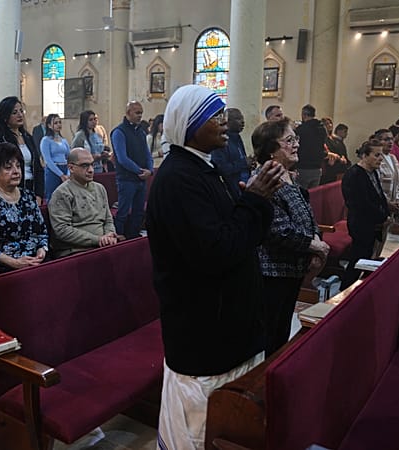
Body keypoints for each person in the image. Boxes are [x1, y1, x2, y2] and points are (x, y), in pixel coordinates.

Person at [146, 84, 283, 449]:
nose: (225, 121)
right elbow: (216, 251)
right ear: (189, 125)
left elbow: (239, 236)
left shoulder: (207, 169)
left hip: (229, 325)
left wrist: (253, 201)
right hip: (203, 332)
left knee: (224, 422)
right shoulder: (177, 179)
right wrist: (254, 201)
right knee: (195, 429)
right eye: (214, 115)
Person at [252, 117, 329, 356]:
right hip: (272, 271)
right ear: (272, 150)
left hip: (291, 268)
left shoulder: (288, 176)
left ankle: (273, 374)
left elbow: (307, 215)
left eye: (296, 139)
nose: (296, 144)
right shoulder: (266, 179)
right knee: (270, 332)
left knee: (281, 329)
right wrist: (314, 245)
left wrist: (315, 242)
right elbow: (278, 230)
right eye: (289, 140)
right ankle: (260, 382)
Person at [0, 142, 49, 277]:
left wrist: (42, 250)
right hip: (4, 268)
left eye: (18, 166)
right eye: (8, 167)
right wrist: (15, 263)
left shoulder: (28, 197)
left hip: (35, 262)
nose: (16, 171)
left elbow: (42, 232)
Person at [48, 148, 119, 258]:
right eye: (85, 166)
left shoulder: (100, 188)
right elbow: (62, 230)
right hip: (76, 251)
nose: (91, 170)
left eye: (92, 164)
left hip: (103, 244)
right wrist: (98, 240)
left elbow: (108, 219)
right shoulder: (62, 193)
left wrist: (109, 234)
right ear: (71, 168)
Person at [341, 140, 390, 286]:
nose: (380, 158)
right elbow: (362, 204)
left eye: (381, 155)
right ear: (364, 155)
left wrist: (387, 209)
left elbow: (378, 194)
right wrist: (382, 216)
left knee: (368, 257)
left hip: (372, 223)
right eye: (377, 155)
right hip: (361, 224)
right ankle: (345, 289)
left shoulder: (372, 172)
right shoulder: (354, 175)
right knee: (358, 259)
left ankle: (360, 286)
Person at [0, 96, 44, 202]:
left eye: (21, 111)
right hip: (8, 189)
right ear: (5, 117)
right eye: (14, 112)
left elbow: (38, 167)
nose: (20, 115)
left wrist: (39, 194)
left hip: (31, 188)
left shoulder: (28, 137)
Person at [111, 100, 154, 239]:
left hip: (140, 179)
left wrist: (150, 170)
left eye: (141, 113)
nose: (140, 116)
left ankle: (133, 238)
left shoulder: (140, 132)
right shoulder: (119, 132)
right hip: (126, 179)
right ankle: (119, 238)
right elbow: (122, 158)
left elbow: (147, 153)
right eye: (137, 113)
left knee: (138, 212)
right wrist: (140, 171)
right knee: (123, 212)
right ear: (128, 113)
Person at [211, 107, 250, 193]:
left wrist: (249, 165)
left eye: (242, 118)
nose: (242, 121)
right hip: (232, 188)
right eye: (238, 119)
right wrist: (244, 163)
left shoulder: (237, 137)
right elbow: (222, 169)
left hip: (243, 184)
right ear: (227, 121)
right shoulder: (220, 140)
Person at [295, 104, 328, 189]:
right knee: (313, 195)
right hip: (317, 168)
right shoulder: (322, 128)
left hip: (303, 167)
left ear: (304, 114)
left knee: (302, 195)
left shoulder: (301, 129)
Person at [40, 113, 71, 202]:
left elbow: (69, 157)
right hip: (53, 170)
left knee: (65, 197)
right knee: (53, 197)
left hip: (65, 168)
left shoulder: (64, 140)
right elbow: (48, 160)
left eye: (59, 122)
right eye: (56, 123)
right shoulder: (46, 140)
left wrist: (67, 173)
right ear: (49, 125)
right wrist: (60, 174)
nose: (58, 125)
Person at [375, 128, 399, 218]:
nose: (390, 142)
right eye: (386, 140)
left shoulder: (393, 158)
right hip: (379, 204)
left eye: (391, 139)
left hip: (392, 204)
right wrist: (387, 203)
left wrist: (398, 201)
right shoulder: (376, 159)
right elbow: (375, 185)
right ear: (378, 141)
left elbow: (397, 182)